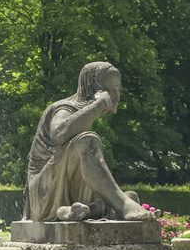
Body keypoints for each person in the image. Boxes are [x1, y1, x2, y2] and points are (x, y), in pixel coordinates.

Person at [25, 61, 151, 223]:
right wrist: (98, 104)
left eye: (118, 90)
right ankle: (122, 205)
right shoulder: (64, 108)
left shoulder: (81, 116)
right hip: (42, 192)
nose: (117, 96)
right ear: (96, 90)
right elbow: (59, 134)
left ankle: (76, 210)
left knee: (89, 145)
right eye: (111, 91)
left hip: (57, 186)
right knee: (87, 141)